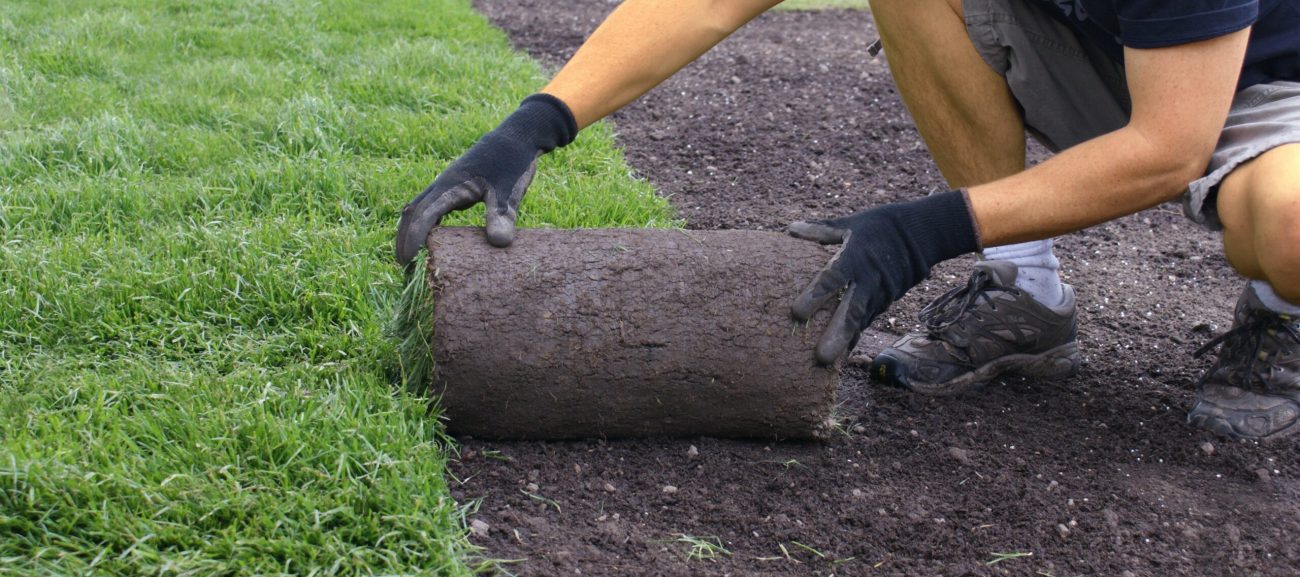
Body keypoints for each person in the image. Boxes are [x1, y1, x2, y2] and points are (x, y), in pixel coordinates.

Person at [395, 0, 1300, 440]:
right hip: (1114, 56)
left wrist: (923, 230)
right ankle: (1024, 288)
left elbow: (1169, 148)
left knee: (1286, 224)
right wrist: (538, 122)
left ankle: (1281, 315)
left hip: (1267, 97)